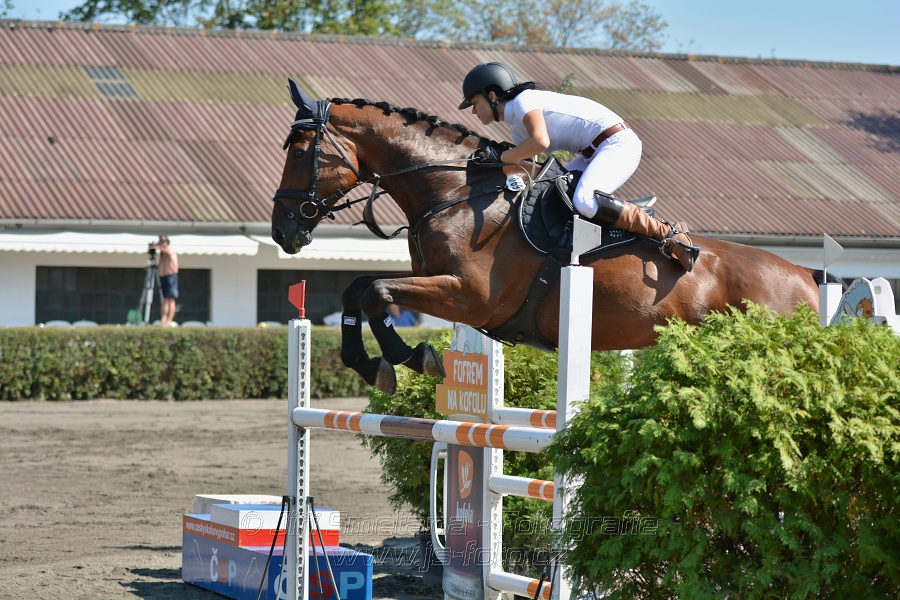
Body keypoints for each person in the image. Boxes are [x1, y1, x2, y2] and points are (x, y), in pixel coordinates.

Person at [459, 62, 698, 271]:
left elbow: (540, 142)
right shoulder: (516, 125)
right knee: (548, 191)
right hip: (592, 152)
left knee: (584, 200)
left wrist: (501, 157)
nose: (473, 110)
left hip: (617, 143)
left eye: (474, 102)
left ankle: (668, 233)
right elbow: (527, 167)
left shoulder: (524, 101)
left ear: (492, 96)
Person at [149, 235, 179, 326]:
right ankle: (163, 319)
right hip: (163, 277)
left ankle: (169, 319)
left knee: (170, 298)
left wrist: (157, 247)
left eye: (163, 242)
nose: (161, 244)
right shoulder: (161, 254)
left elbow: (168, 253)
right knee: (164, 299)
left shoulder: (170, 250)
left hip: (171, 277)